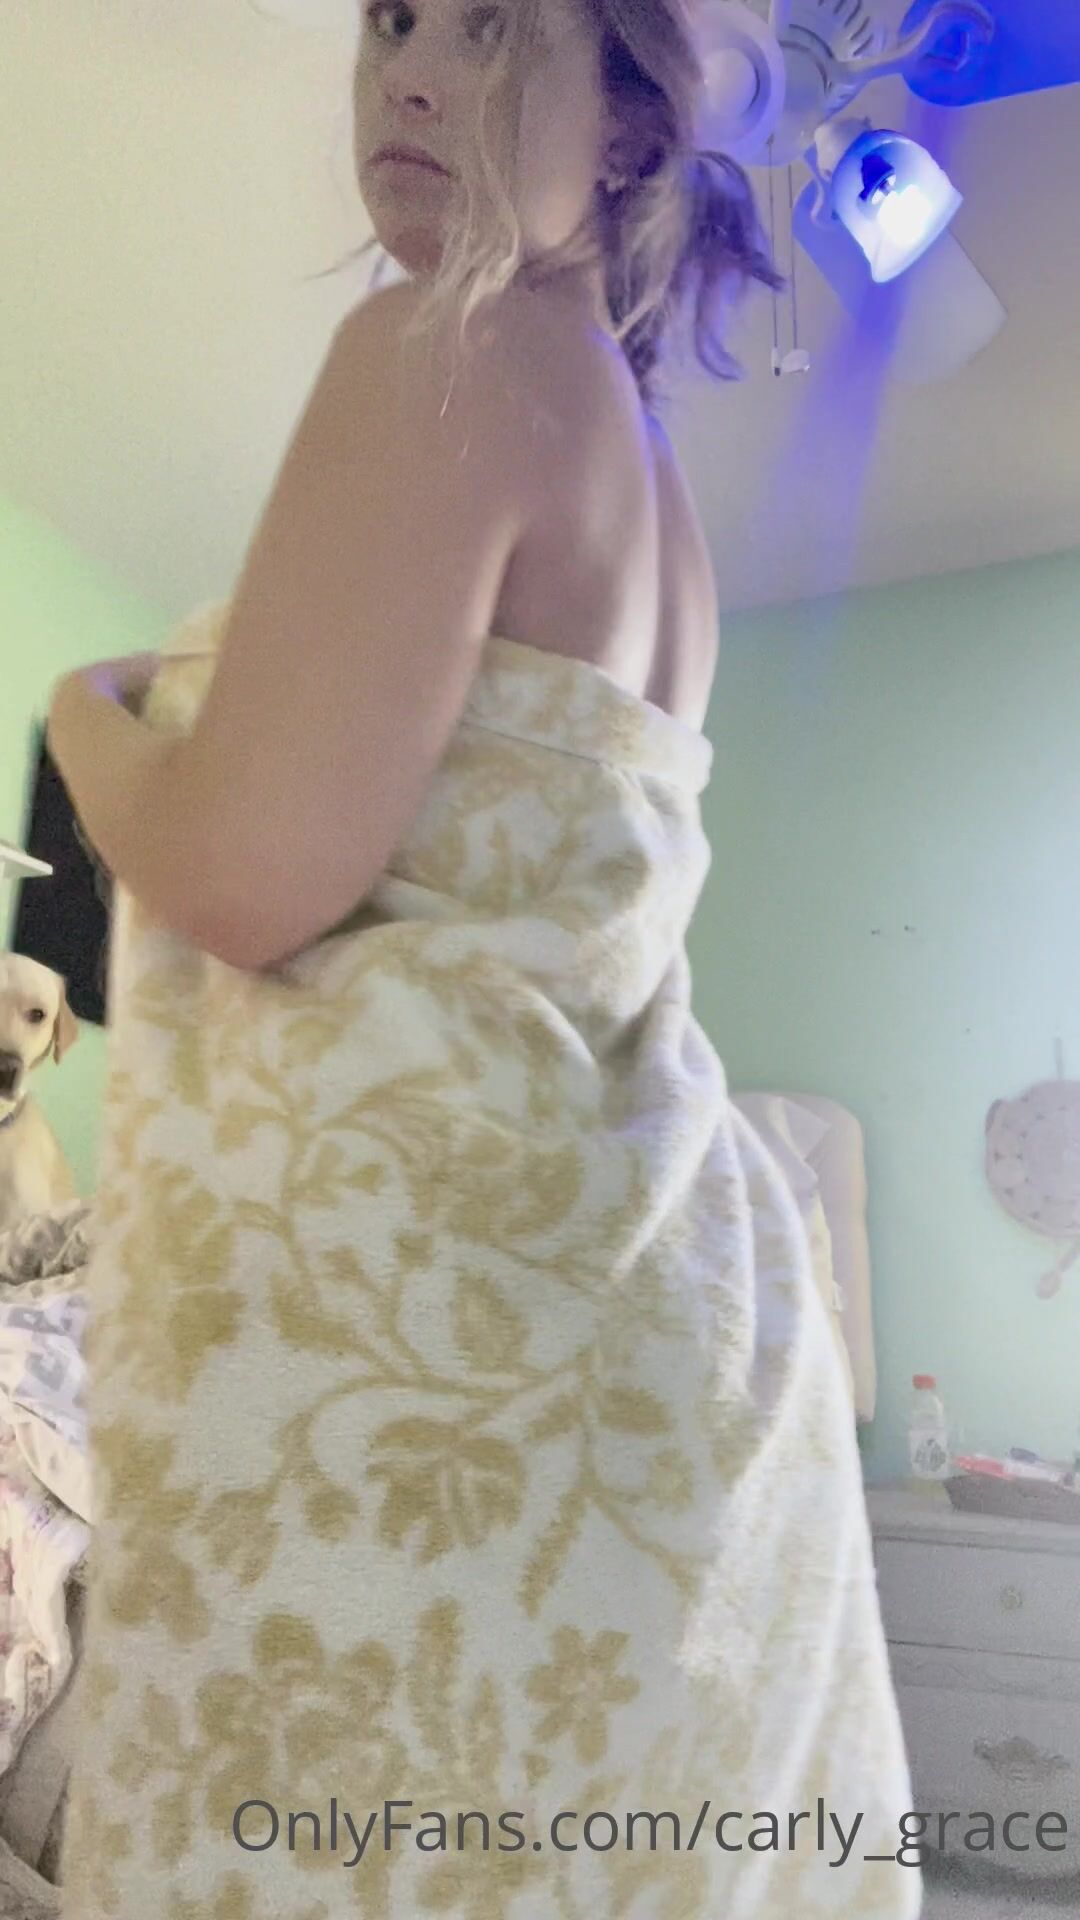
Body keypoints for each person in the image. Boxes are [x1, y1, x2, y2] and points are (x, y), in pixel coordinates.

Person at [48, 0, 920, 1914]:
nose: (414, 72)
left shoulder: (440, 343)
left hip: (439, 1326)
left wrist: (85, 715)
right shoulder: (652, 492)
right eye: (391, 21)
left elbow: (247, 871)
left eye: (500, 29)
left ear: (629, 129)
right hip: (655, 1319)